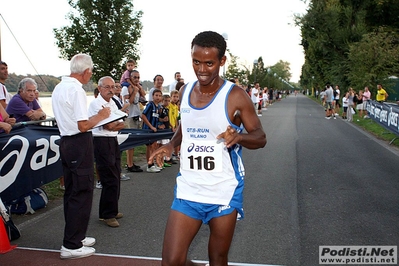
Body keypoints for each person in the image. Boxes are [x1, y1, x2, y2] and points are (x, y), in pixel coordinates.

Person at [148, 31, 266, 266]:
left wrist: (239, 137)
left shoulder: (236, 96)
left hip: (224, 189)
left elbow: (260, 137)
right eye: (196, 62)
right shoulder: (185, 92)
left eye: (209, 63)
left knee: (217, 259)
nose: (201, 69)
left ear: (222, 61)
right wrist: (171, 144)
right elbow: (186, 126)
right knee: (171, 262)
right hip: (189, 188)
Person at [52, 53, 111, 260]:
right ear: (86, 72)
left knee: (72, 191)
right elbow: (83, 124)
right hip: (78, 142)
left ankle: (76, 235)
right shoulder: (76, 89)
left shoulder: (59, 86)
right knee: (82, 192)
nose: (90, 76)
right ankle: (71, 245)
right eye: (91, 72)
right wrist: (102, 116)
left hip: (66, 143)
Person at [88, 76, 125, 227]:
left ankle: (111, 209)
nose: (111, 90)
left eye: (113, 87)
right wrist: (114, 124)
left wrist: (114, 124)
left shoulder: (114, 103)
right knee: (109, 177)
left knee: (116, 174)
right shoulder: (96, 104)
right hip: (101, 140)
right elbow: (107, 126)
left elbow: (122, 123)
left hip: (113, 140)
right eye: (107, 87)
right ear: (100, 88)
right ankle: (108, 214)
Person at [121, 70, 146, 173]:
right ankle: (129, 164)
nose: (136, 79)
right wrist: (134, 92)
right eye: (134, 77)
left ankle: (131, 162)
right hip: (129, 117)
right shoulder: (125, 88)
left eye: (138, 77)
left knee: (134, 142)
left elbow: (143, 95)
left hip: (136, 115)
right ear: (130, 78)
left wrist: (139, 88)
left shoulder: (136, 87)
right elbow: (127, 103)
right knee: (130, 142)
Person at [142, 88, 163, 173]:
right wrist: (150, 126)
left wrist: (159, 125)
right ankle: (149, 165)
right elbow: (143, 116)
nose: (158, 97)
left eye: (159, 95)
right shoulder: (150, 105)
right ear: (152, 96)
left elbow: (156, 118)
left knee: (154, 146)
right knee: (150, 147)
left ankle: (152, 163)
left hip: (154, 129)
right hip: (148, 129)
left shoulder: (158, 107)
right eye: (156, 95)